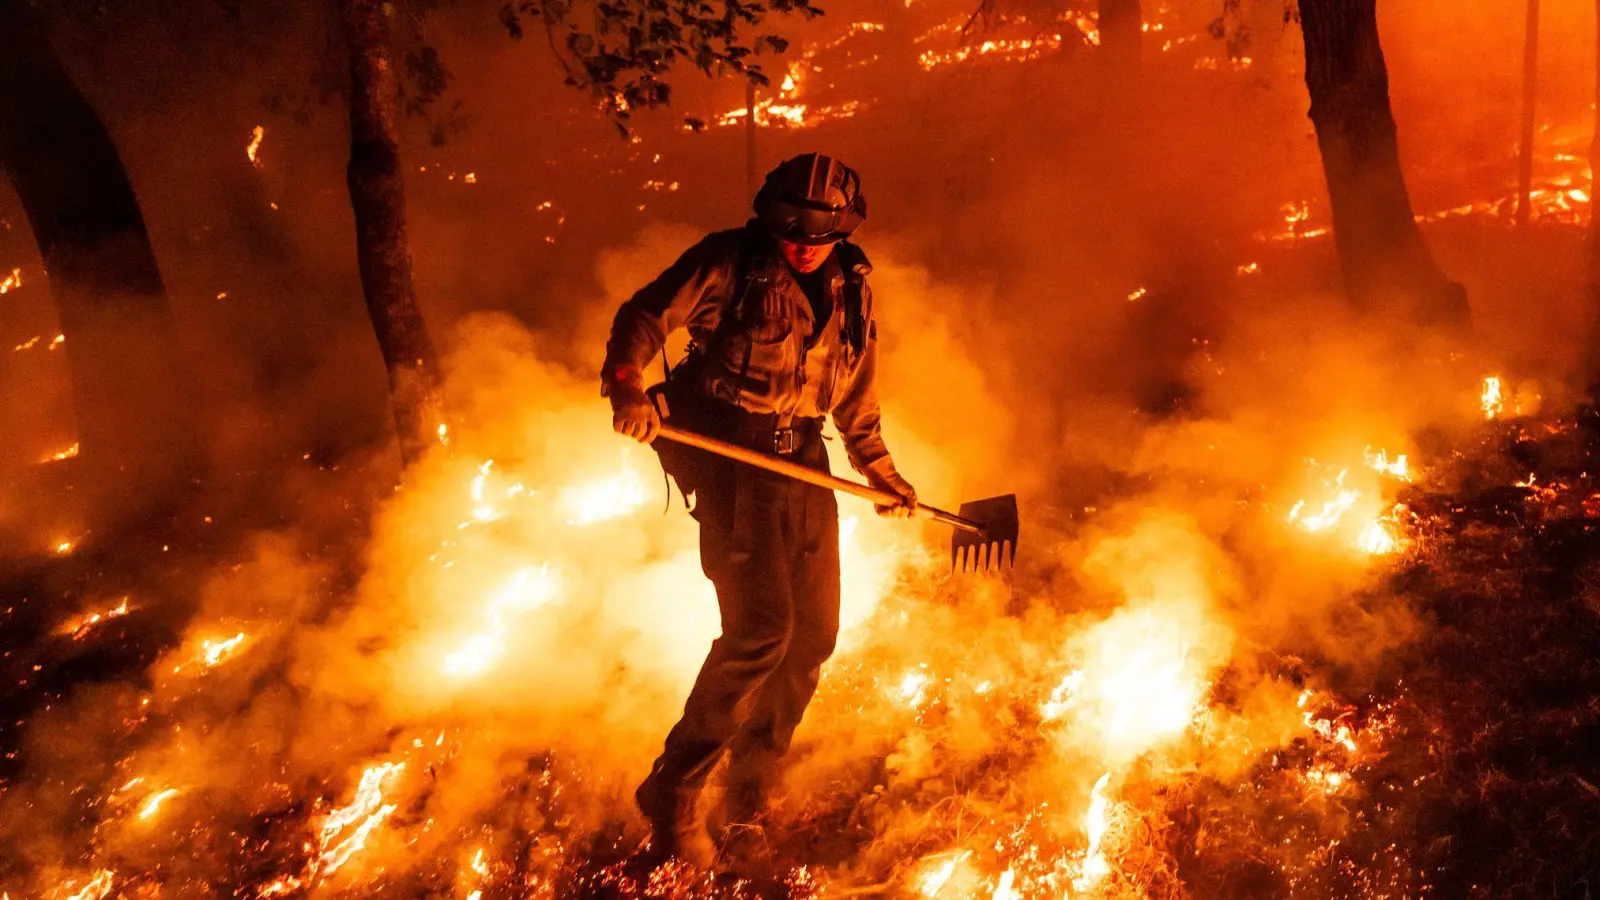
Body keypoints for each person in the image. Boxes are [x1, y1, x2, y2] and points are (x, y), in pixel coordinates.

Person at [601, 152, 917, 869]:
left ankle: (749, 794)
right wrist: (627, 385)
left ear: (843, 229)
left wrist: (883, 473)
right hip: (733, 460)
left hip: (803, 459)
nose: (802, 243)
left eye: (818, 232)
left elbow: (856, 398)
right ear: (769, 219)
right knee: (760, 632)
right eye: (789, 230)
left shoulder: (851, 288)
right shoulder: (728, 263)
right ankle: (675, 791)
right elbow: (644, 317)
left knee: (813, 638)